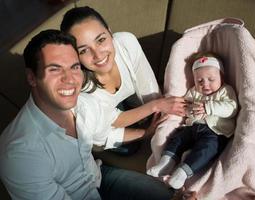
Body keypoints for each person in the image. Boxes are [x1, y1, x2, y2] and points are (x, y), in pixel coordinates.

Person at [0, 29, 175, 200]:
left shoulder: (83, 103)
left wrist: (145, 133)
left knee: (168, 195)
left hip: (99, 178)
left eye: (74, 67)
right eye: (55, 69)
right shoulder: (20, 153)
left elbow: (104, 133)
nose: (70, 79)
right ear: (31, 77)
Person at [60, 6, 186, 154]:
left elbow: (149, 89)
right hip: (101, 124)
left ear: (110, 32)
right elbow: (111, 121)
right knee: (129, 148)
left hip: (122, 104)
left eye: (101, 40)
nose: (98, 54)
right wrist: (147, 129)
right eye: (84, 50)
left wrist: (160, 112)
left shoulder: (126, 43)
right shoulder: (81, 88)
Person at [146, 52, 238, 189]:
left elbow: (232, 108)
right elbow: (185, 107)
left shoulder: (225, 91)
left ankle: (182, 173)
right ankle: (166, 163)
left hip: (215, 133)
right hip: (192, 127)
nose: (205, 84)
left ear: (222, 77)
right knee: (176, 139)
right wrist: (191, 110)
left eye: (211, 79)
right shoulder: (193, 92)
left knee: (206, 150)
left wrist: (209, 107)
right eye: (199, 81)